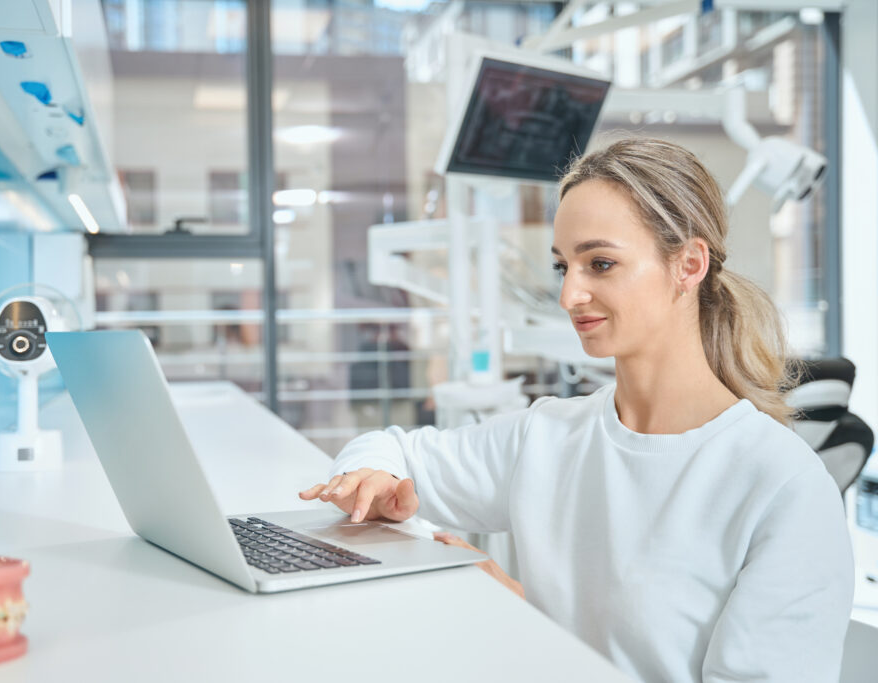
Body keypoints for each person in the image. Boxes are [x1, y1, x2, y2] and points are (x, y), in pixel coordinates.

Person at [299, 138, 854, 682]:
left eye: (602, 264)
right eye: (564, 266)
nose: (570, 296)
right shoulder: (548, 437)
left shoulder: (784, 487)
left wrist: (528, 628)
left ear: (688, 265)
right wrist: (370, 479)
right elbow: (389, 448)